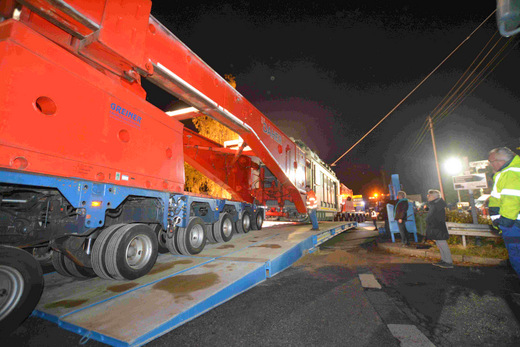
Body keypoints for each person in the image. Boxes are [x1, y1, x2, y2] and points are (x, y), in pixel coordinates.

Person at [487, 147, 520, 277]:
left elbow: (511, 199)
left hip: (514, 224)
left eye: (490, 162)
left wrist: (504, 224)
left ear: (497, 161)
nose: (490, 165)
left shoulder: (510, 173)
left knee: (516, 255)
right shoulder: (512, 170)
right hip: (514, 222)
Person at [426, 189, 453, 269]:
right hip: (436, 226)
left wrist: (430, 222)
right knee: (439, 244)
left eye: (429, 195)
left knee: (442, 244)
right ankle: (444, 260)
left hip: (437, 227)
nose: (428, 197)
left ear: (434, 196)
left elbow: (434, 217)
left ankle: (448, 262)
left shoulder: (436, 205)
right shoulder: (436, 204)